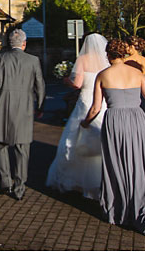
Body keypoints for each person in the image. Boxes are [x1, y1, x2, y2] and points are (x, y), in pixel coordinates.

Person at [82, 38, 145, 236]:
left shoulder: (103, 75)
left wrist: (85, 123)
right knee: (140, 165)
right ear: (124, 54)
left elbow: (95, 108)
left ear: (108, 55)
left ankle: (119, 211)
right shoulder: (137, 74)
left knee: (117, 165)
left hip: (115, 122)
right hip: (137, 120)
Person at [46, 33, 110, 196]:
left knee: (75, 137)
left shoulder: (83, 59)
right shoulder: (106, 59)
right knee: (101, 137)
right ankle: (103, 179)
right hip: (101, 102)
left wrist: (66, 80)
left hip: (85, 101)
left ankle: (75, 179)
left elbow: (77, 84)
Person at [0, 28, 46, 200]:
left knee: (0, 144)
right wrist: (40, 106)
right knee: (22, 148)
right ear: (24, 44)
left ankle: (5, 182)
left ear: (9, 43)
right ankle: (20, 188)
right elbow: (40, 85)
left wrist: (1, 96)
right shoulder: (33, 60)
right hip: (25, 107)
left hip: (2, 105)